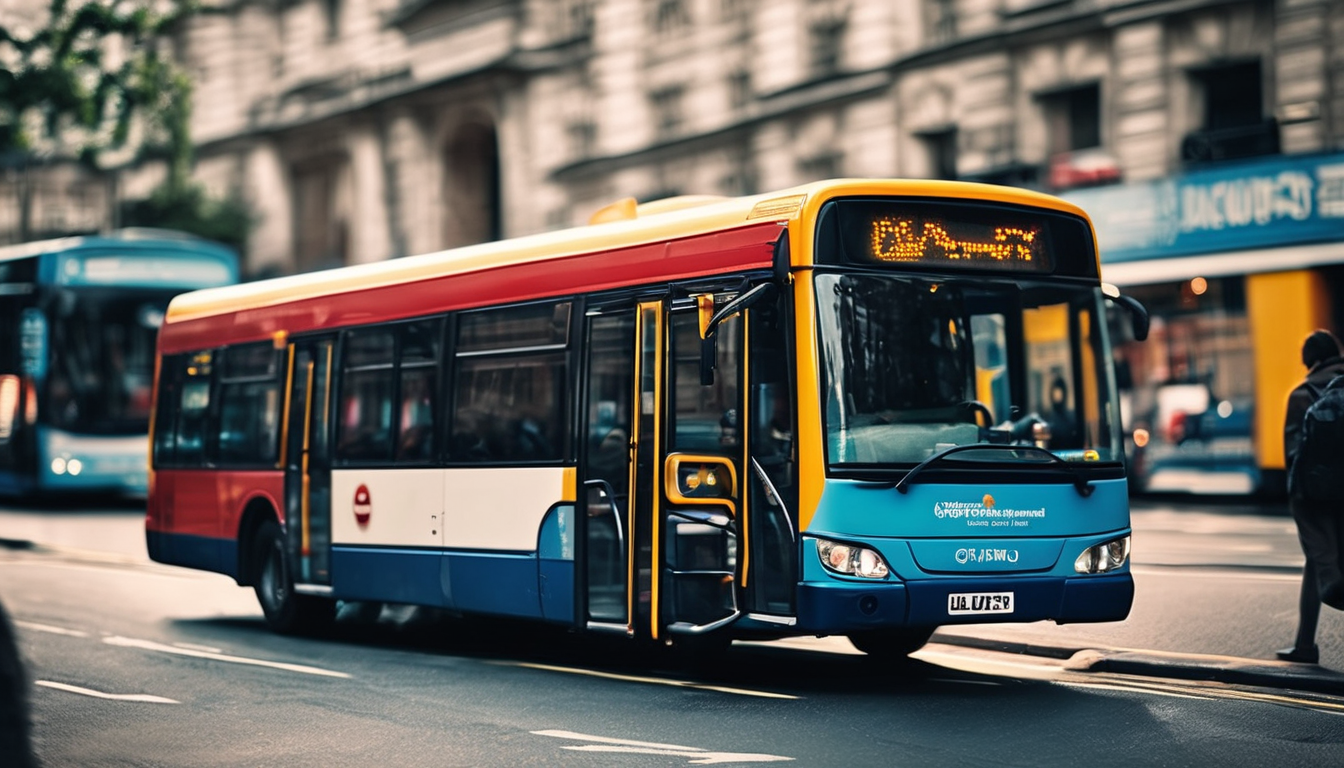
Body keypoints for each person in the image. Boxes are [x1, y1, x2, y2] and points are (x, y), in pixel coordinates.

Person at [1277, 329, 1344, 664]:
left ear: (1310, 360)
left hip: (1315, 496)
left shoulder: (1303, 394)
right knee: (1317, 562)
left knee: (1324, 565)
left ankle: (1305, 645)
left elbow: (1293, 455)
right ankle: (1304, 645)